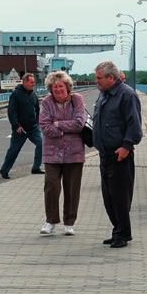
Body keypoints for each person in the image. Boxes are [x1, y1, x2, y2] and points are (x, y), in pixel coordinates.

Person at [93, 61, 142, 248]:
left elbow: (134, 124)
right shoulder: (104, 95)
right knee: (109, 198)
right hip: (105, 154)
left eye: (99, 78)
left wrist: (126, 146)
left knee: (120, 197)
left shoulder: (127, 95)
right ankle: (117, 230)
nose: (96, 81)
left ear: (110, 78)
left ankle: (123, 234)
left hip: (120, 154)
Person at [38, 71, 87, 236]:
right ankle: (50, 221)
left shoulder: (77, 99)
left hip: (74, 152)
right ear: (50, 89)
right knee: (51, 186)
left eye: (61, 86)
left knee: (72, 188)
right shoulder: (46, 102)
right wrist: (63, 131)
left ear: (67, 87)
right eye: (54, 87)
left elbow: (80, 123)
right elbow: (44, 126)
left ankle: (69, 222)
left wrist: (57, 123)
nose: (58, 89)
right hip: (52, 153)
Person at [0, 73, 43, 179]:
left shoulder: (33, 94)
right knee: (14, 150)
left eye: (34, 82)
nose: (33, 84)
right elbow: (11, 111)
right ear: (24, 82)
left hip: (33, 128)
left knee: (42, 143)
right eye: (31, 82)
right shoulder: (16, 94)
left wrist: (37, 123)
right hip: (20, 129)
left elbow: (37, 110)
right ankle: (4, 170)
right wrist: (16, 125)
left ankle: (36, 168)